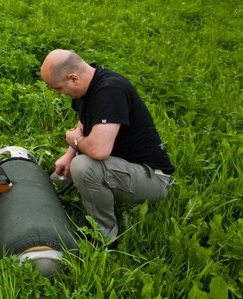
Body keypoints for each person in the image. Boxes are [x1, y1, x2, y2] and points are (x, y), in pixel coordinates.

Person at [40, 49, 175, 241]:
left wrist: (74, 141)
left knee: (84, 167)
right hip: (122, 163)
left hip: (153, 178)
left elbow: (98, 150)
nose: (58, 93)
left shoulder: (111, 91)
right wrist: (69, 154)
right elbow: (83, 125)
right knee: (57, 179)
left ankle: (103, 236)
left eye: (59, 88)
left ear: (73, 78)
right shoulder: (89, 87)